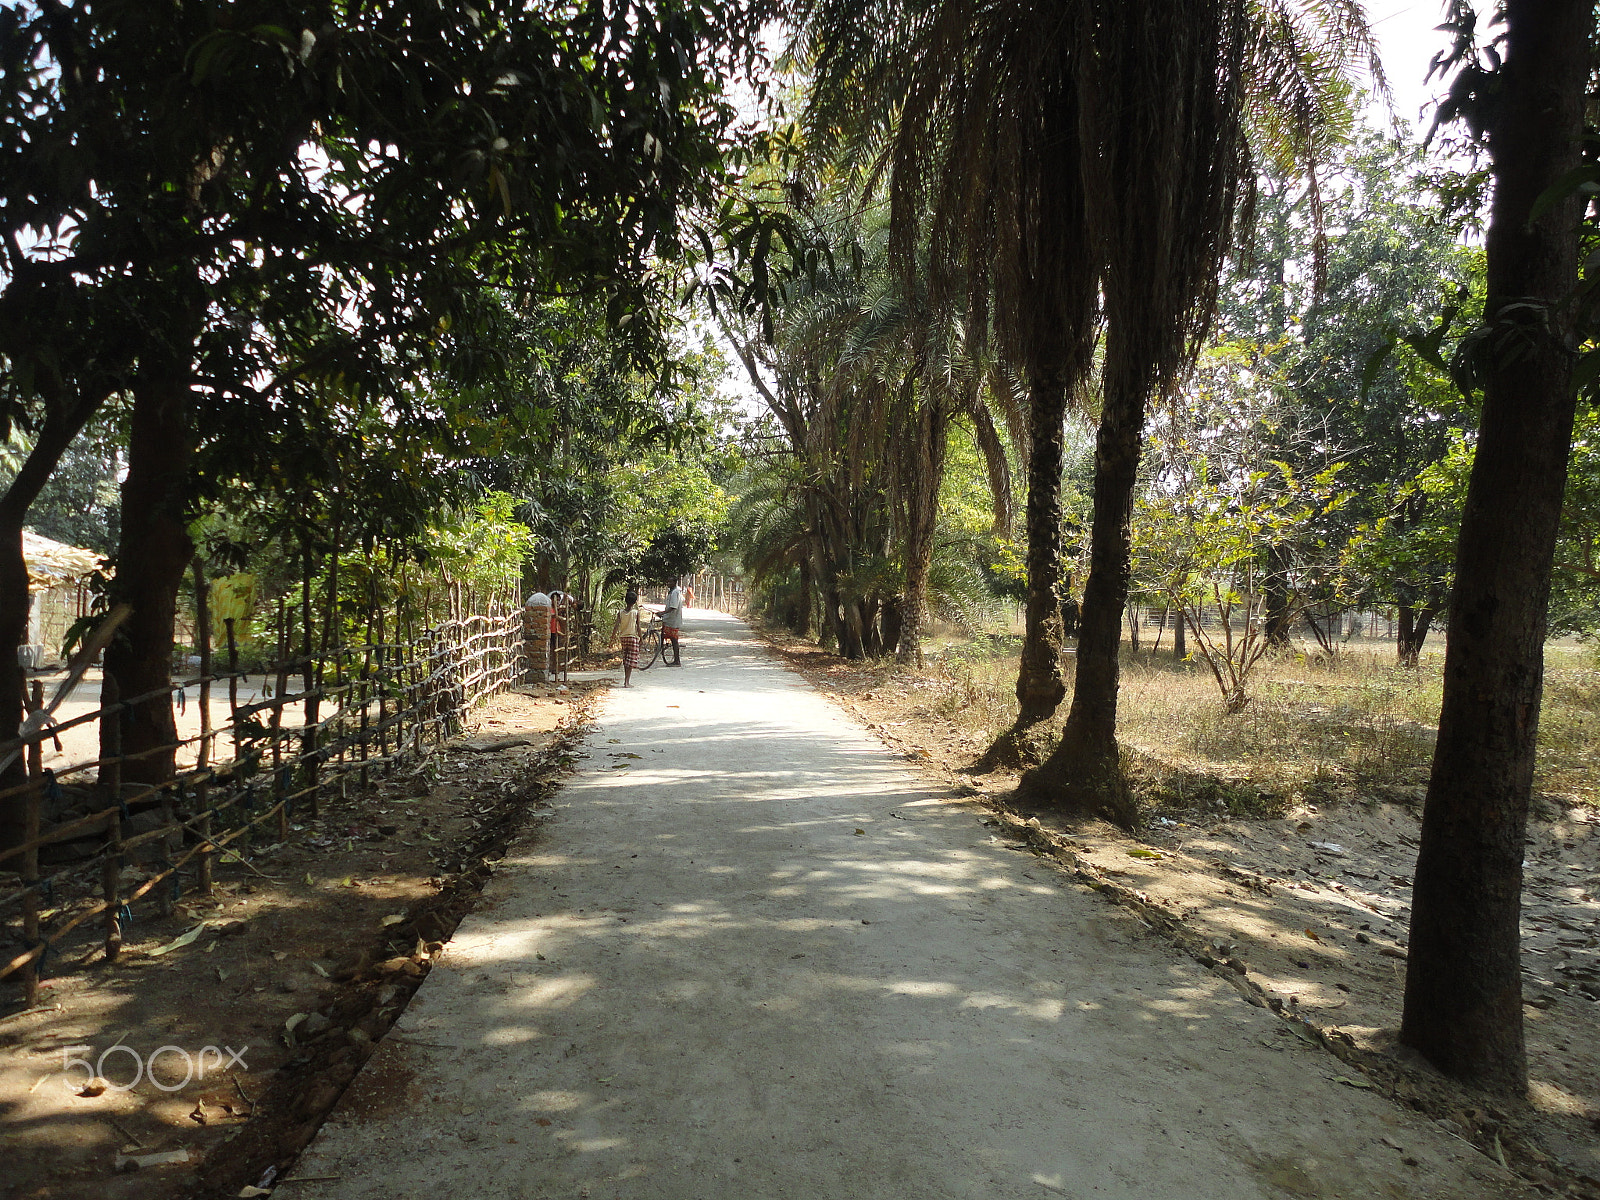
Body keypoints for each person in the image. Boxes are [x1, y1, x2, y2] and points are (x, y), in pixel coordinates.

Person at [609, 590, 643, 687]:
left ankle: (626, 680)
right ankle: (627, 681)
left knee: (625, 659)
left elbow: (616, 626)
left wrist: (612, 639)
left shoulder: (620, 612)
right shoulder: (636, 613)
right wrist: (641, 638)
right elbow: (638, 627)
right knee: (631, 660)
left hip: (623, 638)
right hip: (633, 638)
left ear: (625, 600)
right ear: (635, 602)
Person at [662, 581, 685, 666]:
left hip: (673, 619)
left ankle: (677, 660)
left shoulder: (675, 592)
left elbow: (673, 607)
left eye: (670, 582)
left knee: (674, 639)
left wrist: (663, 613)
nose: (668, 583)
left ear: (674, 583)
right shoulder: (673, 591)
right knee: (672, 637)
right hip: (670, 618)